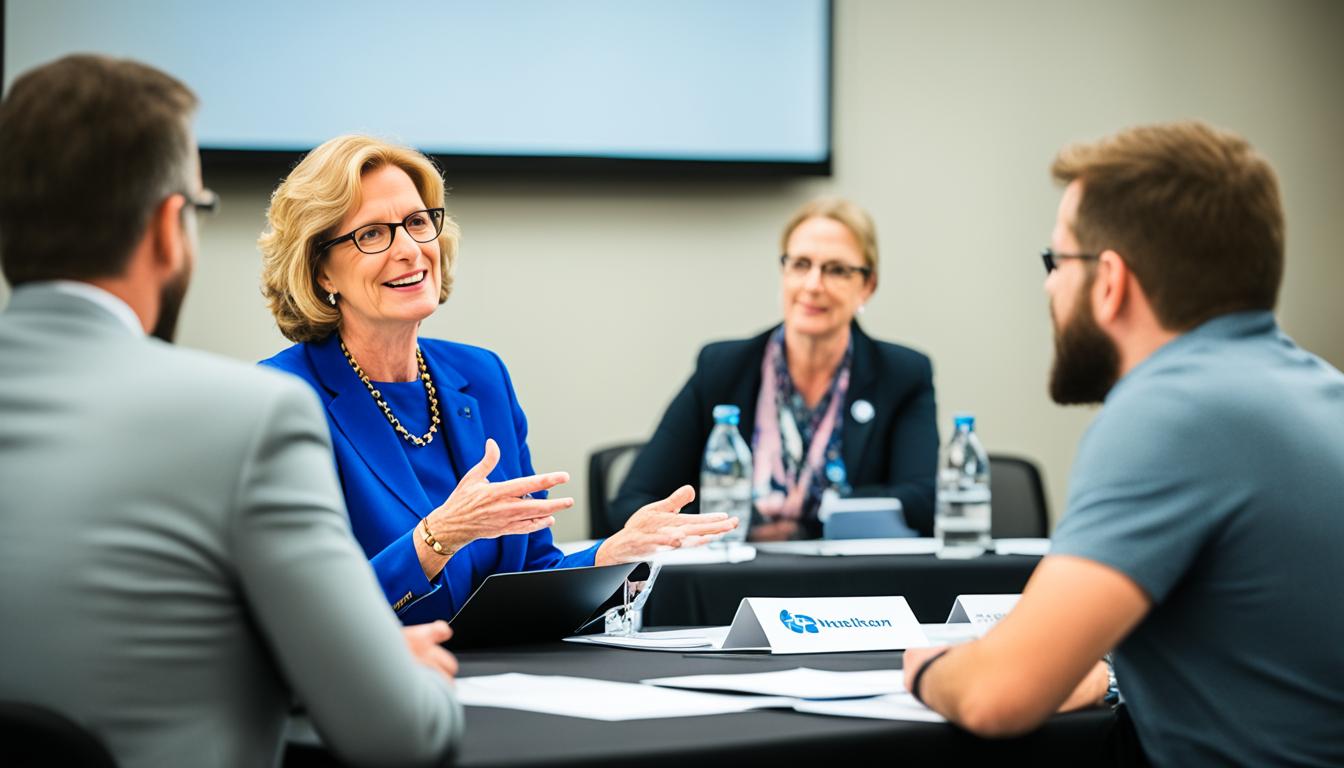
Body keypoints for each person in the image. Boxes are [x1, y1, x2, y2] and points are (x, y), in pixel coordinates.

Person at [0, 56, 462, 768]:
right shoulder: (253, 417)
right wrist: (370, 670)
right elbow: (401, 739)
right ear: (167, 228)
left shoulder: (469, 377)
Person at [901, 121, 1344, 766]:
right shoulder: (1321, 392)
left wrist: (928, 668)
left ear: (1110, 281)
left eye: (1057, 262)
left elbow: (1000, 693)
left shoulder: (1171, 414)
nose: (1050, 286)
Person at [257, 135, 736, 623]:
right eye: (373, 234)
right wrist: (435, 539)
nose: (409, 250)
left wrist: (611, 560)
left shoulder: (481, 377)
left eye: (418, 223)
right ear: (321, 272)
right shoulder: (280, 400)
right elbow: (303, 614)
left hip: (496, 679)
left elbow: (530, 572)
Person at [608, 197, 938, 540]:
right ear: (784, 271)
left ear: (867, 286)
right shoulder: (722, 368)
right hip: (733, 575)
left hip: (852, 583)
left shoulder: (902, 374)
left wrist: (807, 526)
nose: (813, 285)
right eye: (800, 264)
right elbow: (634, 504)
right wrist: (737, 529)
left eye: (837, 270)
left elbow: (923, 501)